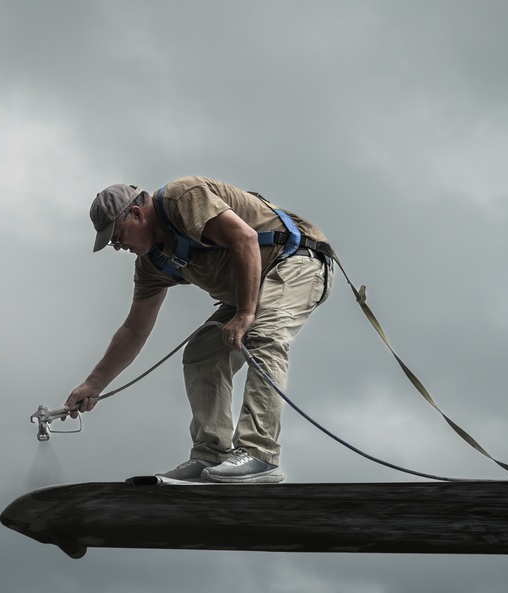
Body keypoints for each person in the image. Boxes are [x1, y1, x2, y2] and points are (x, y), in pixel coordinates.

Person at [64, 176, 332, 483]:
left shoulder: (182, 198)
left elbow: (244, 238)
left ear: (137, 215)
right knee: (203, 353)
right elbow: (134, 330)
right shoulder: (151, 264)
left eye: (117, 235)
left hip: (295, 261)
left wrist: (245, 313)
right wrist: (94, 384)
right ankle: (210, 455)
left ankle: (260, 455)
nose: (117, 246)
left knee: (265, 336)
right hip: (251, 286)